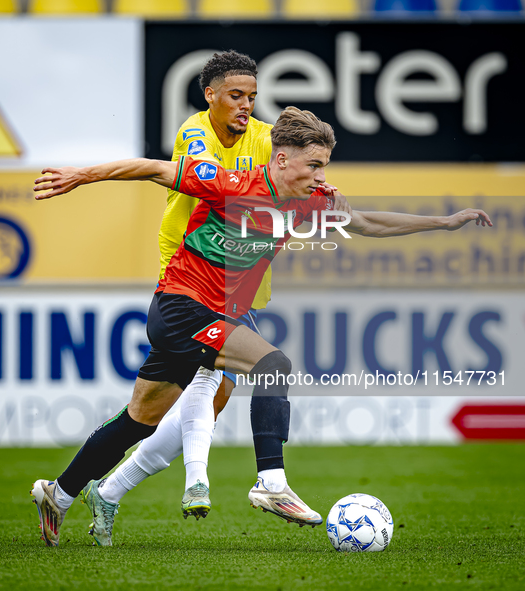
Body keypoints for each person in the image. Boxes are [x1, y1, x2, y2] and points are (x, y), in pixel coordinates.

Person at [31, 106, 492, 547]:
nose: (322, 176)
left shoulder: (308, 204)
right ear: (282, 158)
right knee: (273, 363)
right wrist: (81, 176)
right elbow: (153, 167)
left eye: (325, 166)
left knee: (138, 422)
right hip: (181, 307)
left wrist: (444, 222)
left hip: (202, 318)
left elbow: (367, 223)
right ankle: (271, 482)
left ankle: (60, 492)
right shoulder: (232, 182)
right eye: (314, 165)